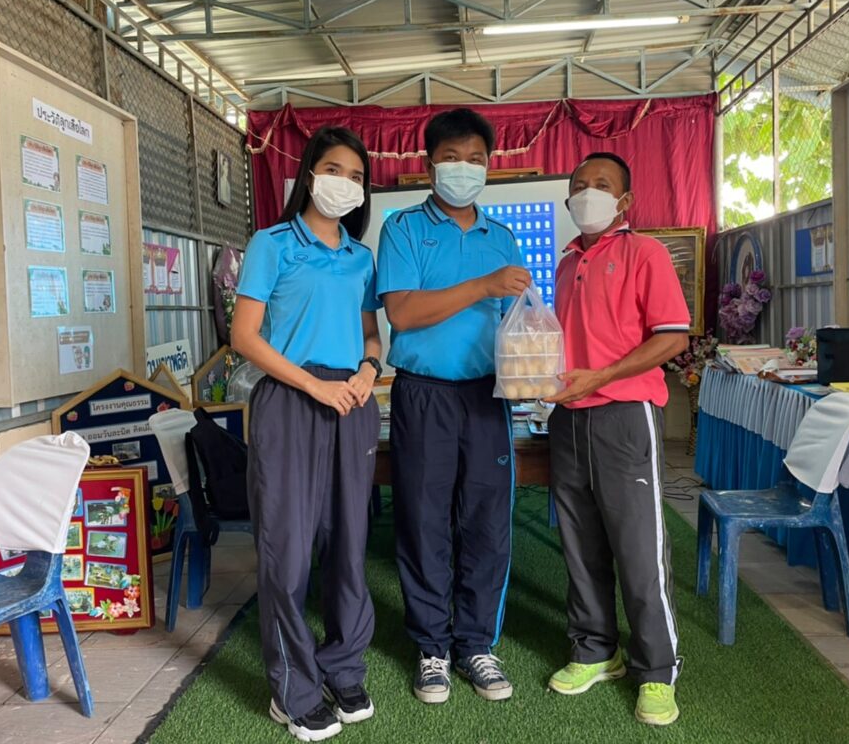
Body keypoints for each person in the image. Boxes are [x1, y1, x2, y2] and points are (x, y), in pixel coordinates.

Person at [231, 126, 383, 742]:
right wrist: (313, 385)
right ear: (310, 174)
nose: (344, 183)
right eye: (333, 169)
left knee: (349, 543)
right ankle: (292, 689)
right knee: (287, 550)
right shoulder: (272, 244)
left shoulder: (361, 258)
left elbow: (371, 334)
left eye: (356, 175)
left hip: (353, 402)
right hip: (291, 401)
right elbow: (244, 337)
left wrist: (369, 370)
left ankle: (342, 668)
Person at [377, 108, 531, 704]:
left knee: (486, 522)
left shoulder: (503, 238)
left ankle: (476, 645)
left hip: (489, 395)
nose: (463, 169)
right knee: (424, 520)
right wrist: (483, 286)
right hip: (424, 393)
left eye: (475, 159)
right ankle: (432, 649)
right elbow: (403, 313)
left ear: (488, 167)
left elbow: (515, 323)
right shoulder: (403, 228)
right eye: (451, 158)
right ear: (428, 165)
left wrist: (532, 364)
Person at [542, 152, 690, 726]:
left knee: (639, 546)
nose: (588, 194)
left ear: (625, 200)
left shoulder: (644, 253)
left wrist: (601, 377)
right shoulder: (565, 264)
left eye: (601, 185)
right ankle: (595, 650)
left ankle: (657, 669)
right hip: (568, 418)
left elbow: (672, 338)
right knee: (580, 542)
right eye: (579, 186)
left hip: (625, 416)